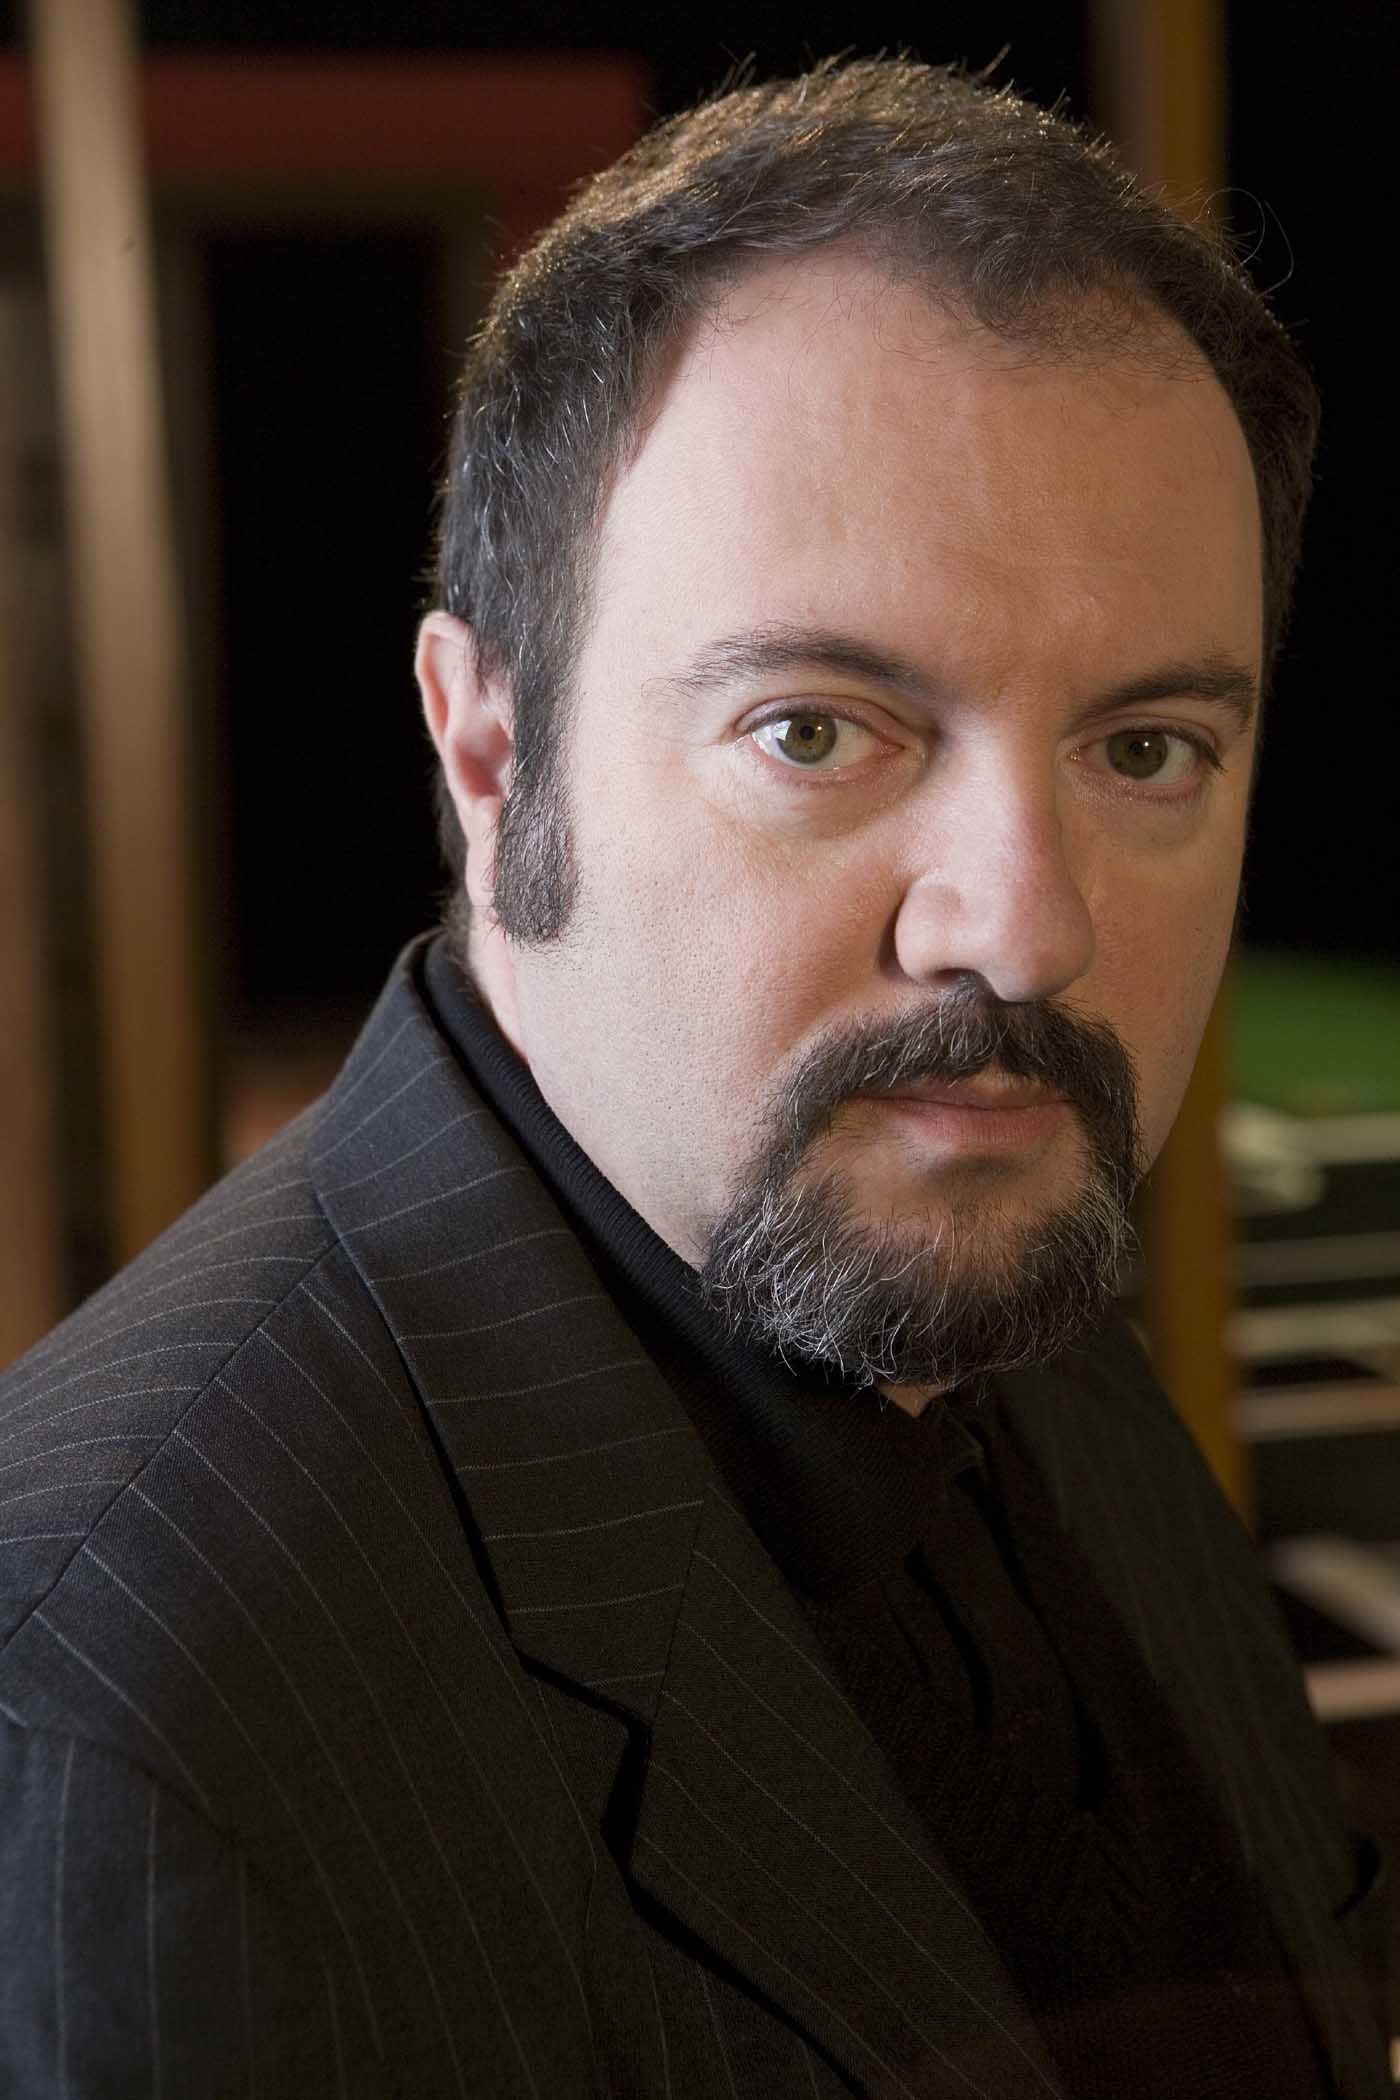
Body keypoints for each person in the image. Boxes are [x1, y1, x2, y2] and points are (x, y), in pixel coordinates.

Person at [0, 54, 1388, 2100]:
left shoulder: (1017, 1334)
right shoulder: (124, 1724)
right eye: (817, 732)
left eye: (1145, 750)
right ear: (490, 751)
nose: (1022, 932)